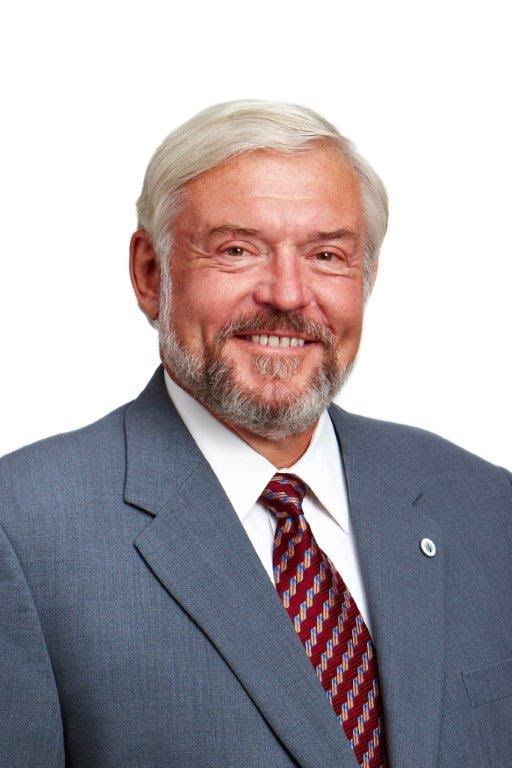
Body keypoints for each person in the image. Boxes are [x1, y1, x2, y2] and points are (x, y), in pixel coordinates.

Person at [0, 101, 510, 768]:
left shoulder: (487, 505)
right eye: (237, 250)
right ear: (151, 273)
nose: (288, 295)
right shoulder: (23, 531)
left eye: (327, 255)